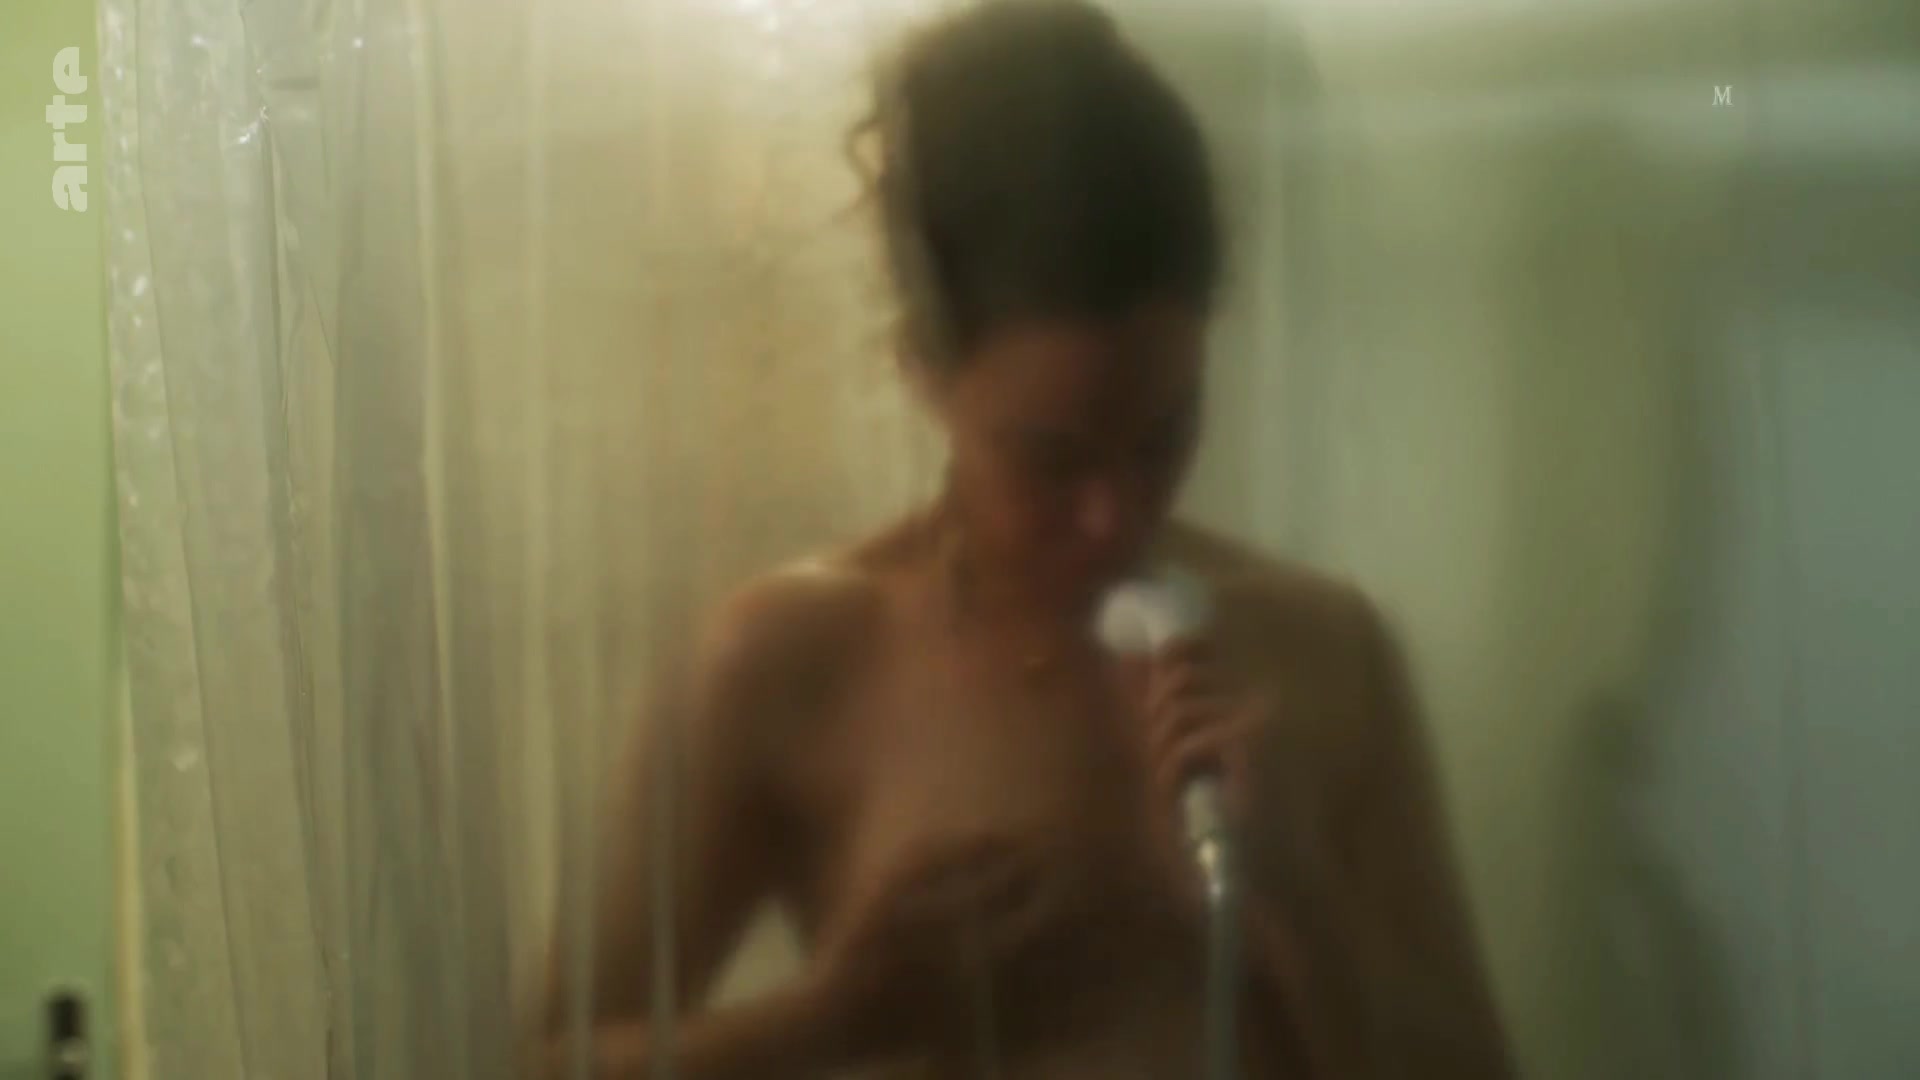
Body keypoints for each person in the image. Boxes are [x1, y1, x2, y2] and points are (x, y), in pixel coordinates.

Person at [538, 2, 1513, 1076]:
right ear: (924, 372)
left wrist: (1303, 907)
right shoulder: (785, 662)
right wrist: (840, 1016)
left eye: (1164, 435)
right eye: (1050, 458)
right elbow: (537, 1064)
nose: (1116, 514)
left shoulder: (1324, 651)